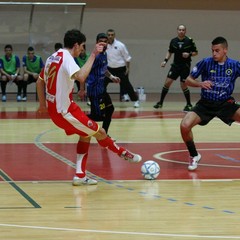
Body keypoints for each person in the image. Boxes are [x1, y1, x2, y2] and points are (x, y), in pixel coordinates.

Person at [36, 29, 142, 186]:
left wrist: (42, 105)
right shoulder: (67, 58)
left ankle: (80, 174)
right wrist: (93, 54)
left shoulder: (53, 57)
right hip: (64, 112)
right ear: (76, 45)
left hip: (63, 108)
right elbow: (81, 77)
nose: (82, 50)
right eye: (82, 46)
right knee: (100, 132)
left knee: (85, 134)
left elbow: (40, 81)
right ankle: (122, 153)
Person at [180, 36, 240, 171]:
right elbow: (188, 80)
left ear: (225, 50)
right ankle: (194, 155)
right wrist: (200, 83)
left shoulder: (234, 65)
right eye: (212, 50)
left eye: (217, 50)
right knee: (184, 126)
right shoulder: (205, 63)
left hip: (225, 103)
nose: (214, 53)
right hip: (205, 104)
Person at [79, 33, 120, 135]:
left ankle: (104, 134)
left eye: (105, 41)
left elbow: (104, 69)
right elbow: (84, 72)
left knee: (110, 109)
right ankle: (77, 120)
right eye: (101, 41)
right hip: (95, 91)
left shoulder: (104, 54)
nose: (103, 43)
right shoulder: (94, 57)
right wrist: (82, 89)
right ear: (96, 43)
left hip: (102, 89)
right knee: (98, 116)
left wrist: (112, 77)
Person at [154, 24, 198, 112]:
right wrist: (165, 61)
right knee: (167, 83)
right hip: (175, 66)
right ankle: (160, 102)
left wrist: (188, 54)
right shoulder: (173, 41)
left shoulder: (189, 40)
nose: (181, 31)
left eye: (183, 30)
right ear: (177, 31)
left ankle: (189, 104)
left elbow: (196, 52)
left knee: (183, 85)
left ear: (185, 31)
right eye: (180, 30)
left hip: (185, 66)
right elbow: (169, 52)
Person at [105, 29, 139, 108]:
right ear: (107, 36)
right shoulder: (104, 46)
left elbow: (127, 58)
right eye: (109, 35)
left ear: (114, 35)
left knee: (127, 85)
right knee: (102, 84)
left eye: (112, 35)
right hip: (109, 69)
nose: (110, 36)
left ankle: (135, 101)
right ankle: (98, 100)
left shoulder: (120, 45)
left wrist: (128, 68)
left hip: (120, 69)